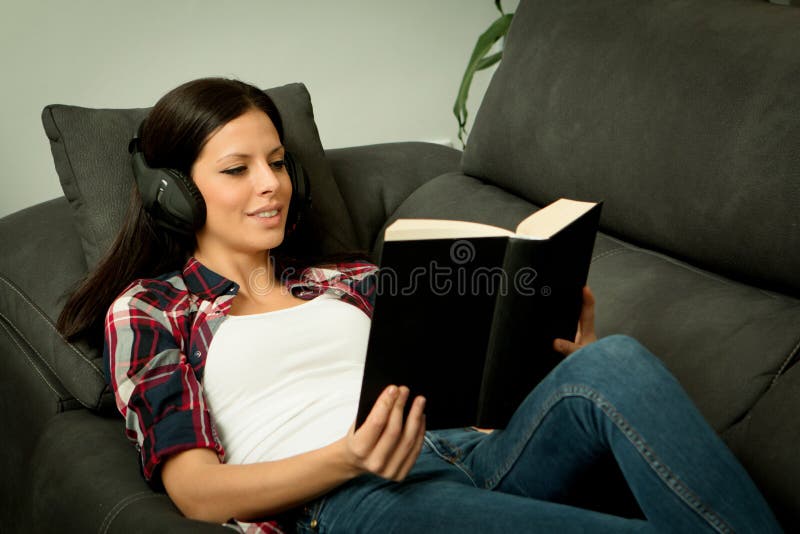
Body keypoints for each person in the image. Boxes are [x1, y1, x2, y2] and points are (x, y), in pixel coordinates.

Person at [57, 77, 781, 534]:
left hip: (472, 449)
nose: (270, 185)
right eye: (237, 169)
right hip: (357, 497)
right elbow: (198, 493)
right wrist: (349, 455)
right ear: (175, 191)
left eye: (278, 162)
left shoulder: (352, 278)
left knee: (615, 361)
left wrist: (557, 351)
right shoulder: (153, 310)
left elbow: (475, 401)